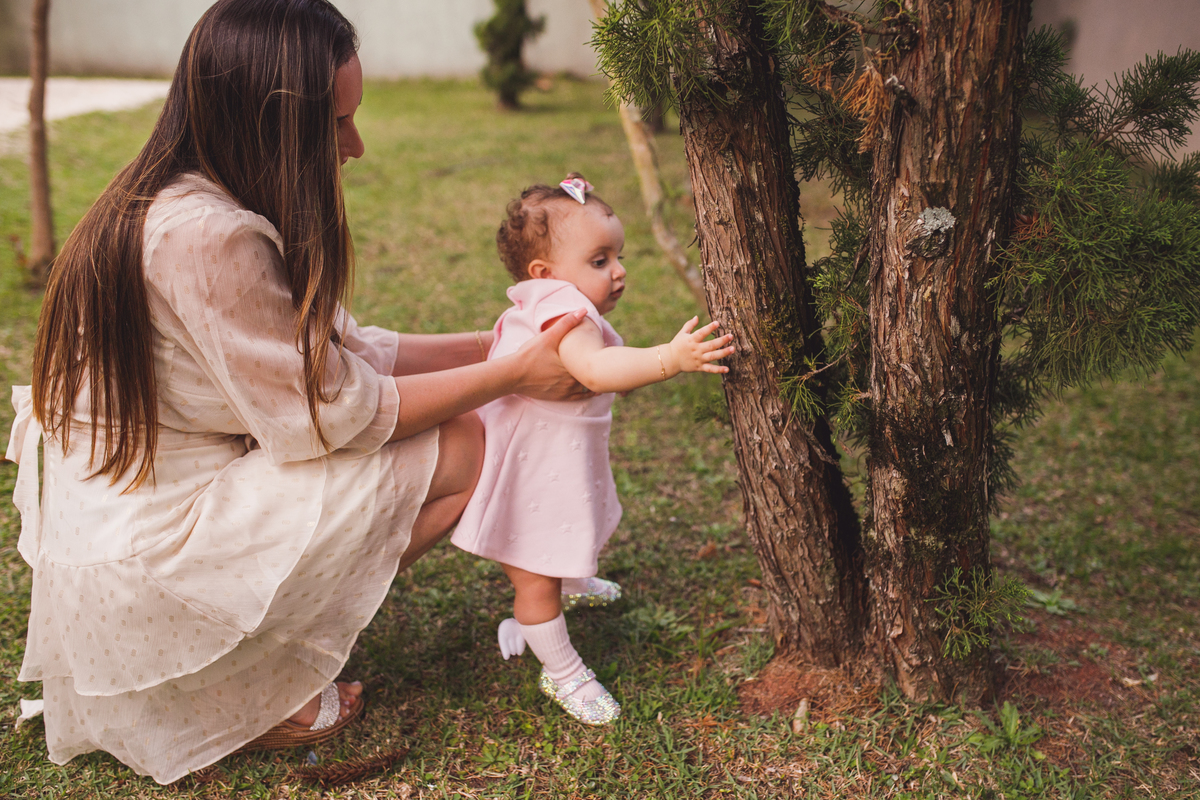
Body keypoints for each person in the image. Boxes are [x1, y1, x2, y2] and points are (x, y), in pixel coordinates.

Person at [5, 0, 590, 784]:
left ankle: (259, 651)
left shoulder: (181, 193)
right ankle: (245, 686)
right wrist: (514, 376)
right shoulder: (206, 235)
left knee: (461, 422)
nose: (355, 146)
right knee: (465, 445)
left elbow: (345, 352)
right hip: (153, 553)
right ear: (268, 122)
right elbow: (329, 414)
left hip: (136, 524)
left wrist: (503, 342)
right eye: (335, 123)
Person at [449, 174, 734, 725]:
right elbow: (596, 370)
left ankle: (574, 580)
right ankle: (563, 673)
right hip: (528, 478)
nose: (619, 271)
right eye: (600, 261)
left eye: (618, 256)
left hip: (550, 462)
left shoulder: (550, 301)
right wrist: (669, 359)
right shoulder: (562, 308)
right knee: (535, 577)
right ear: (545, 273)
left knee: (567, 526)